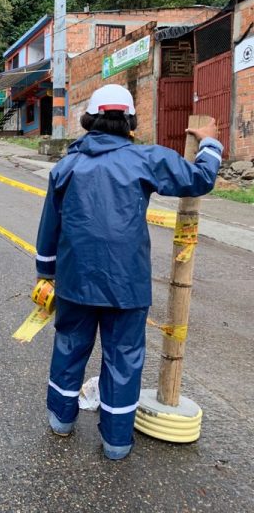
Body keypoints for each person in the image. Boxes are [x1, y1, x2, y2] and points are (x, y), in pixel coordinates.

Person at [35, 84, 222, 460]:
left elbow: (49, 228)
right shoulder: (146, 159)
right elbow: (199, 179)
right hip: (128, 285)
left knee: (70, 346)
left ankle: (61, 421)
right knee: (124, 357)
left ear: (89, 119)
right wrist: (210, 144)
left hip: (75, 282)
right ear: (131, 122)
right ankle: (117, 443)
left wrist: (46, 273)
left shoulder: (67, 165)